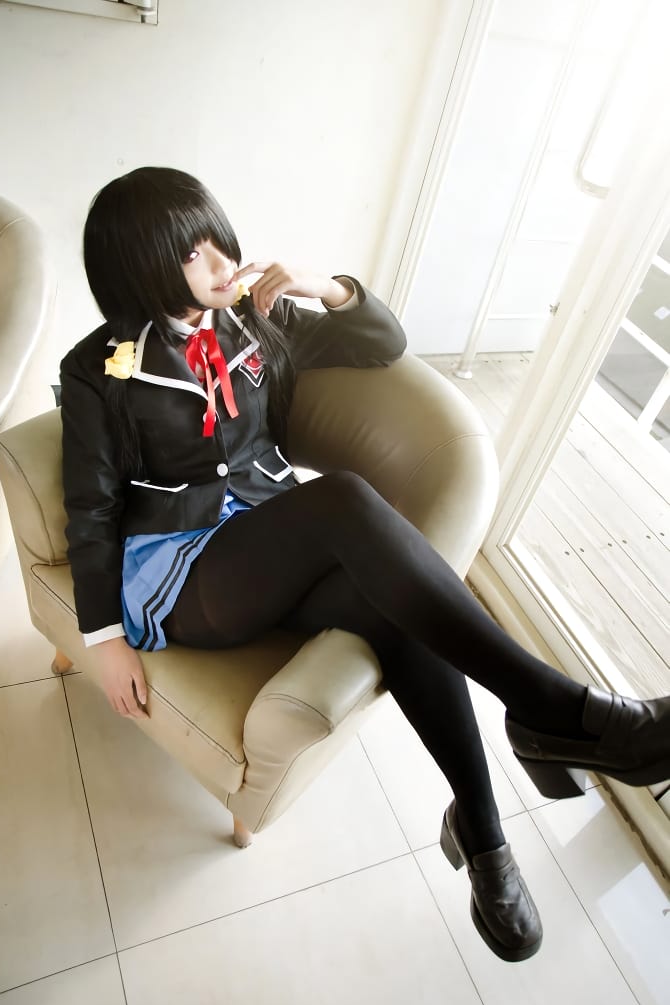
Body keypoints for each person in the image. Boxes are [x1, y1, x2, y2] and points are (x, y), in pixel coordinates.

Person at [60, 166, 670, 964]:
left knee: (394, 608)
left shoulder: (253, 318)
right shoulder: (97, 367)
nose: (219, 262)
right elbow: (91, 509)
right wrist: (103, 637)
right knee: (345, 499)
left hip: (267, 538)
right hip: (182, 568)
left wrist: (324, 286)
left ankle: (484, 831)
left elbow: (382, 343)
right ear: (140, 265)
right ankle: (561, 714)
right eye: (190, 253)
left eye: (217, 239)